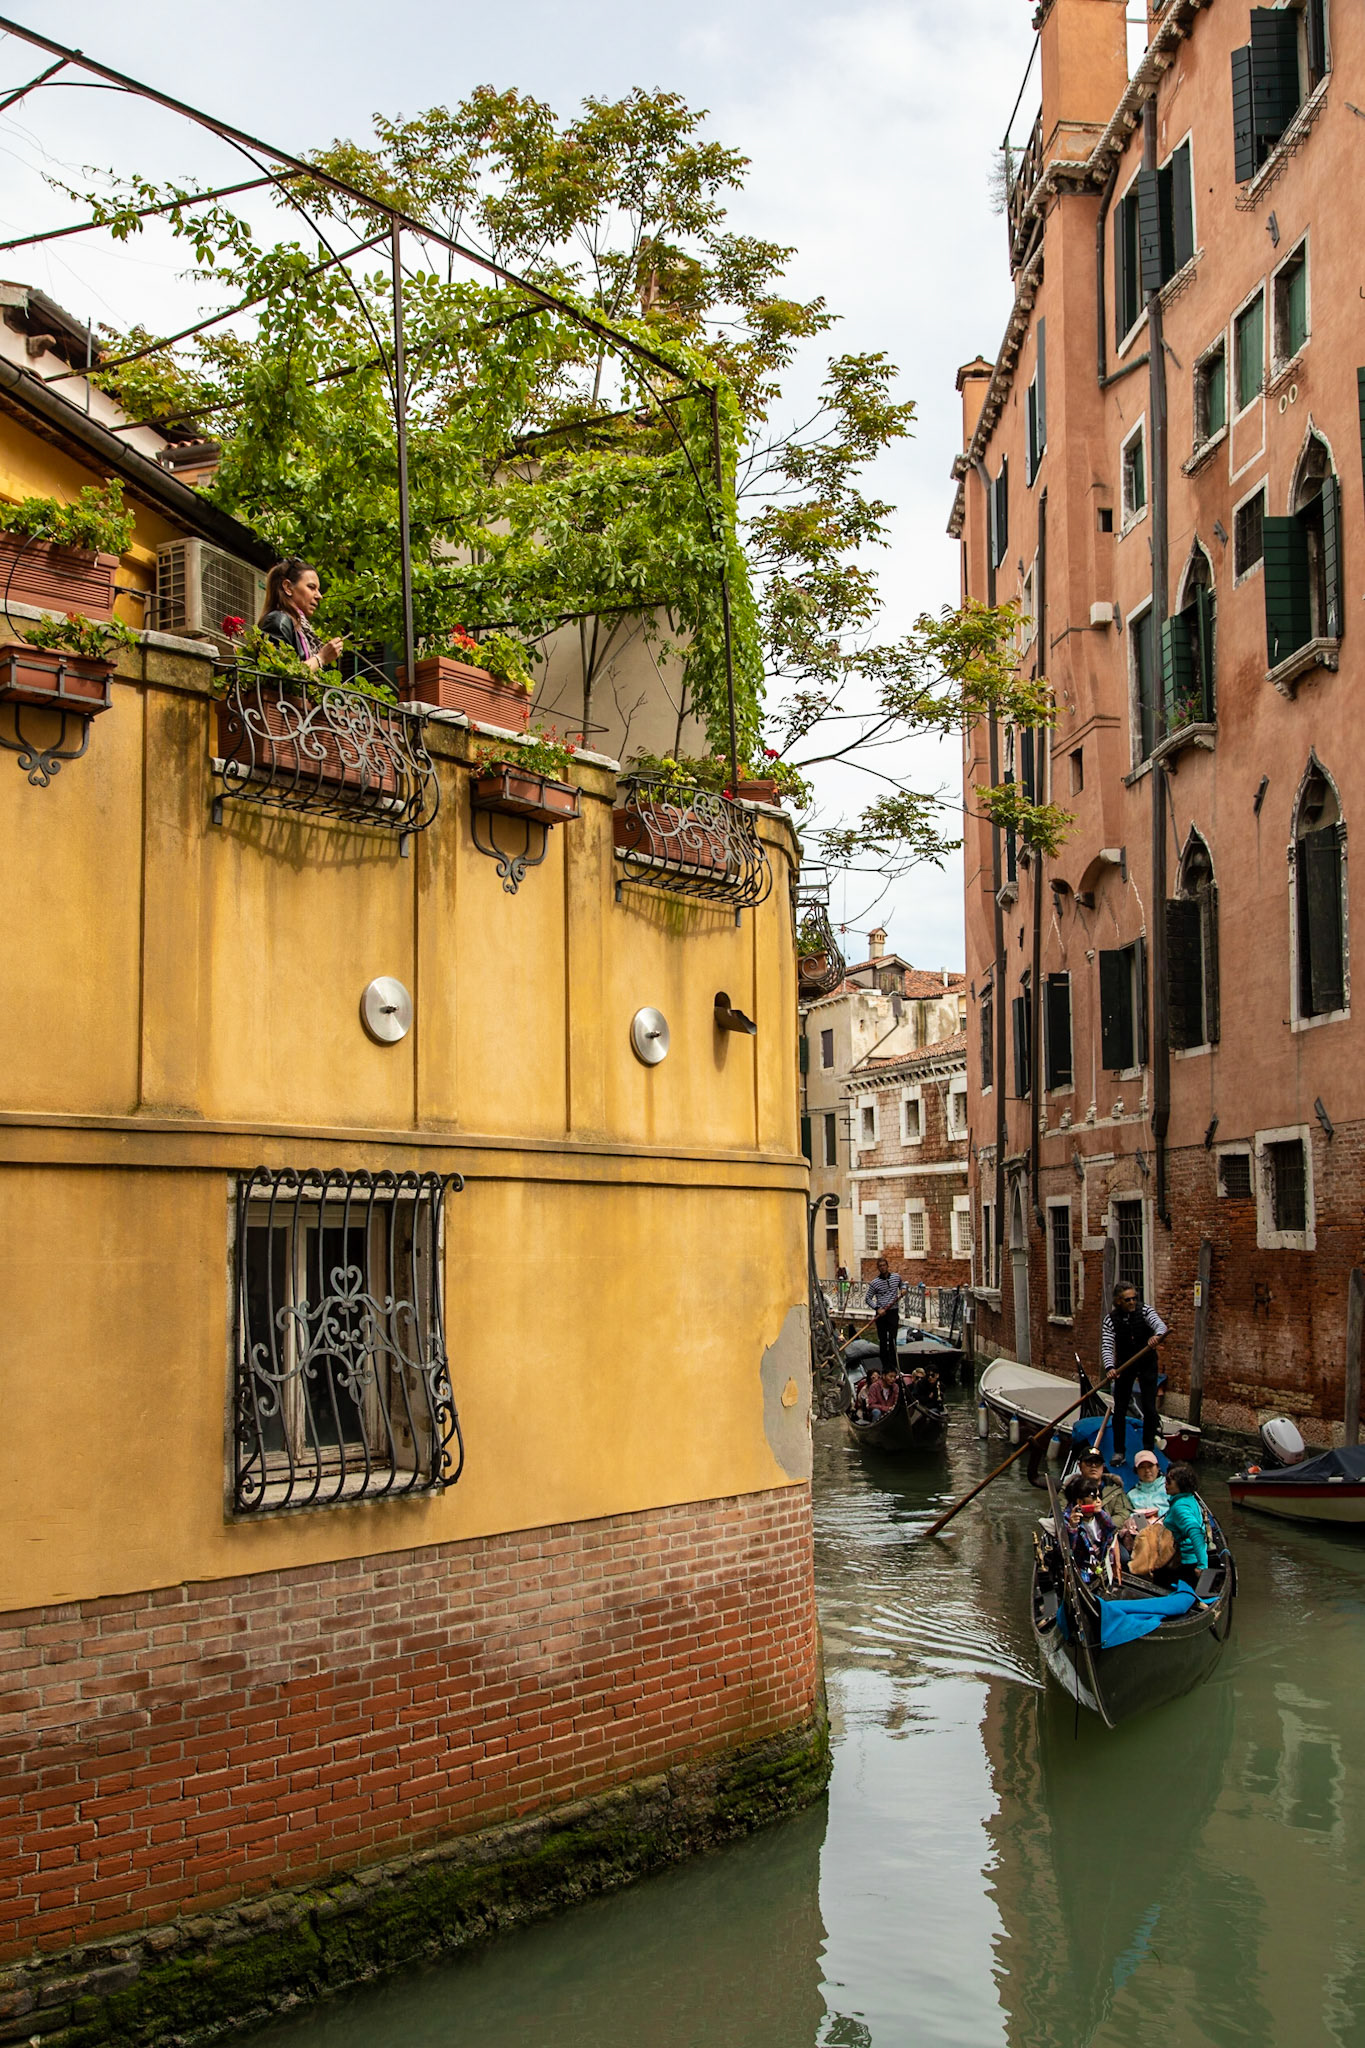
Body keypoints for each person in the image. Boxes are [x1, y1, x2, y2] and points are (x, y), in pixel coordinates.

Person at [1101, 1282, 1169, 1464]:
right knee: (1120, 1409)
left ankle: (1148, 1449)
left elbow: (1160, 1326)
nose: (1132, 1302)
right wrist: (1110, 1368)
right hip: (1125, 1365)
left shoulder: (1145, 1311)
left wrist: (1157, 1336)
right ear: (1118, 1301)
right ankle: (1119, 1452)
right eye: (1127, 1299)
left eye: (1134, 1298)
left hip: (1147, 1362)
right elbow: (1107, 1346)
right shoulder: (1110, 1320)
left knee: (1149, 1408)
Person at [258, 558, 345, 673]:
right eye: (311, 587)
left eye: (318, 589)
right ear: (288, 587)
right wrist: (321, 658)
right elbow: (278, 675)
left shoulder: (301, 628)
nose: (319, 596)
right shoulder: (278, 620)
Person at [1063, 1471, 1121, 1585]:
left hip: (1102, 1564)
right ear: (1080, 1501)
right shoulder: (1067, 1520)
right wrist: (1072, 1527)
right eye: (1094, 1497)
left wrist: (1117, 1564)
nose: (1099, 1501)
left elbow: (1113, 1535)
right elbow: (1068, 1551)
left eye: (1099, 1496)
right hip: (1083, 1570)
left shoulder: (1102, 1516)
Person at [1160, 1462, 1208, 1586]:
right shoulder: (1189, 1499)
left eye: (1169, 1481)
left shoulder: (1180, 1507)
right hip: (1190, 1558)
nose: (1165, 1484)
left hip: (1184, 1562)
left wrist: (1202, 1565)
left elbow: (1195, 1531)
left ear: (1180, 1484)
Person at [866, 1257, 905, 1375]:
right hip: (881, 1314)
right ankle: (885, 1367)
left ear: (887, 1266)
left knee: (892, 1339)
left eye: (884, 1265)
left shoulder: (896, 1277)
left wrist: (903, 1289)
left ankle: (893, 1367)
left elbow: (902, 1285)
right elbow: (868, 1298)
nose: (883, 1267)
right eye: (880, 1266)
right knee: (883, 1341)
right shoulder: (874, 1283)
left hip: (893, 1312)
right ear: (878, 1268)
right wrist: (878, 1309)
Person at [1076, 1443, 1130, 1524]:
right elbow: (1061, 1513)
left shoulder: (1115, 1488)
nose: (1093, 1466)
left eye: (1097, 1463)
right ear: (1080, 1466)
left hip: (1108, 1533)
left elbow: (1123, 1515)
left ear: (1103, 1466)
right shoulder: (1071, 1487)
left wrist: (1103, 1526)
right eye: (1089, 1462)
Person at [1127, 1449, 1169, 1521]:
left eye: (1150, 1466)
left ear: (1158, 1467)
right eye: (1142, 1467)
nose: (1147, 1470)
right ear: (1136, 1471)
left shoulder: (1170, 1487)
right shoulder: (1131, 1495)